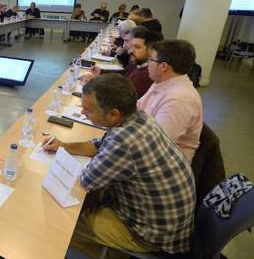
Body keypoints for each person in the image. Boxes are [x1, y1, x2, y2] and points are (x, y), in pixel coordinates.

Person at [42, 74, 195, 258]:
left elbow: (86, 181)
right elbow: (101, 145)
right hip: (168, 222)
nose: (83, 113)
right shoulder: (137, 117)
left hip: (151, 234)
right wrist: (65, 146)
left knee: (62, 225)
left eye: (88, 110)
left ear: (114, 114)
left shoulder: (125, 142)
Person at [138, 40, 202, 163]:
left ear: (163, 66)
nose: (148, 64)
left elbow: (154, 146)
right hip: (144, 149)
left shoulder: (179, 100)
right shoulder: (162, 82)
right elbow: (137, 108)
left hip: (162, 165)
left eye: (151, 60)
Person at [82, 26, 163, 97]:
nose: (131, 50)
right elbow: (123, 73)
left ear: (150, 51)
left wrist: (95, 83)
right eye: (132, 46)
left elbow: (122, 96)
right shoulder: (138, 62)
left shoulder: (147, 73)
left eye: (137, 47)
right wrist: (101, 72)